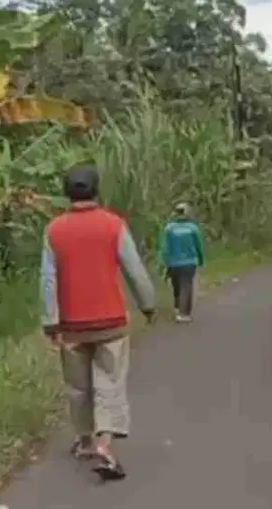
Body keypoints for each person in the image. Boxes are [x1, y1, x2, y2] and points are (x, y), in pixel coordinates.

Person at [40, 163, 157, 480]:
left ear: (67, 193)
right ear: (96, 190)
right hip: (111, 323)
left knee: (78, 387)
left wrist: (50, 321)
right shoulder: (113, 225)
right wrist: (148, 304)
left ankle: (84, 440)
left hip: (71, 326)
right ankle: (104, 445)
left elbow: (48, 279)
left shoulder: (54, 230)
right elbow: (134, 269)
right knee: (110, 382)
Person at [157, 202, 206, 323]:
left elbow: (164, 248)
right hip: (189, 262)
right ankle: (183, 313)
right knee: (186, 286)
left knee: (177, 285)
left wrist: (162, 262)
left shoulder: (169, 228)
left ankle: (178, 307)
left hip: (174, 263)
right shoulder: (193, 228)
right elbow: (199, 246)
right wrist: (201, 260)